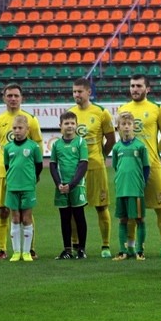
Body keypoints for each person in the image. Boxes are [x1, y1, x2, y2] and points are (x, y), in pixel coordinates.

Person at [118, 75, 161, 259]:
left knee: (160, 206)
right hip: (132, 169)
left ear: (147, 89)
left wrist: (156, 152)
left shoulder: (157, 109)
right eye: (132, 85)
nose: (135, 89)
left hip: (153, 167)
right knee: (133, 210)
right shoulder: (123, 109)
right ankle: (131, 246)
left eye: (139, 86)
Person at [0, 83, 43, 260]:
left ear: (21, 97)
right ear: (4, 98)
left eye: (16, 96)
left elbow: (38, 144)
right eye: (9, 95)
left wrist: (35, 171)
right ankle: (2, 249)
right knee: (3, 211)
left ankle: (30, 249)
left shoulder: (30, 120)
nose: (13, 99)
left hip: (24, 175)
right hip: (3, 173)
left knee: (26, 212)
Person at [70, 78, 116, 258]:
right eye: (74, 92)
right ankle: (76, 245)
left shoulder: (101, 112)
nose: (76, 95)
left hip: (95, 166)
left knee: (101, 207)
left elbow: (111, 140)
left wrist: (101, 156)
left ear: (89, 92)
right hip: (74, 169)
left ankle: (105, 245)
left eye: (79, 91)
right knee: (75, 208)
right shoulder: (70, 113)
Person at [3, 115, 43, 262]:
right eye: (14, 128)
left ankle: (26, 252)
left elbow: (39, 166)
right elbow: (7, 166)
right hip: (12, 187)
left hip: (27, 187)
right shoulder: (8, 148)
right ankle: (16, 252)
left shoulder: (33, 147)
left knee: (26, 218)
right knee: (15, 218)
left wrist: (32, 179)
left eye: (20, 128)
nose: (17, 131)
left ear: (27, 129)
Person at [50, 111, 89, 260]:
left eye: (72, 123)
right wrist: (59, 183)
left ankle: (81, 249)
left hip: (76, 186)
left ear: (76, 125)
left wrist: (72, 184)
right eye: (66, 123)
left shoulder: (80, 142)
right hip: (61, 187)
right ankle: (67, 249)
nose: (70, 126)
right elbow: (53, 165)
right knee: (64, 218)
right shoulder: (56, 144)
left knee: (79, 216)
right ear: (60, 126)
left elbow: (83, 164)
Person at [111, 112, 150, 261]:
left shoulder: (140, 146)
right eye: (123, 124)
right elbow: (116, 167)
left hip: (136, 189)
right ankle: (123, 251)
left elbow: (146, 167)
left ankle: (140, 250)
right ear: (118, 127)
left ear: (134, 126)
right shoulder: (116, 148)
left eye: (129, 124)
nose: (126, 127)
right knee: (122, 220)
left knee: (139, 219)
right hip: (121, 188)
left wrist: (142, 183)